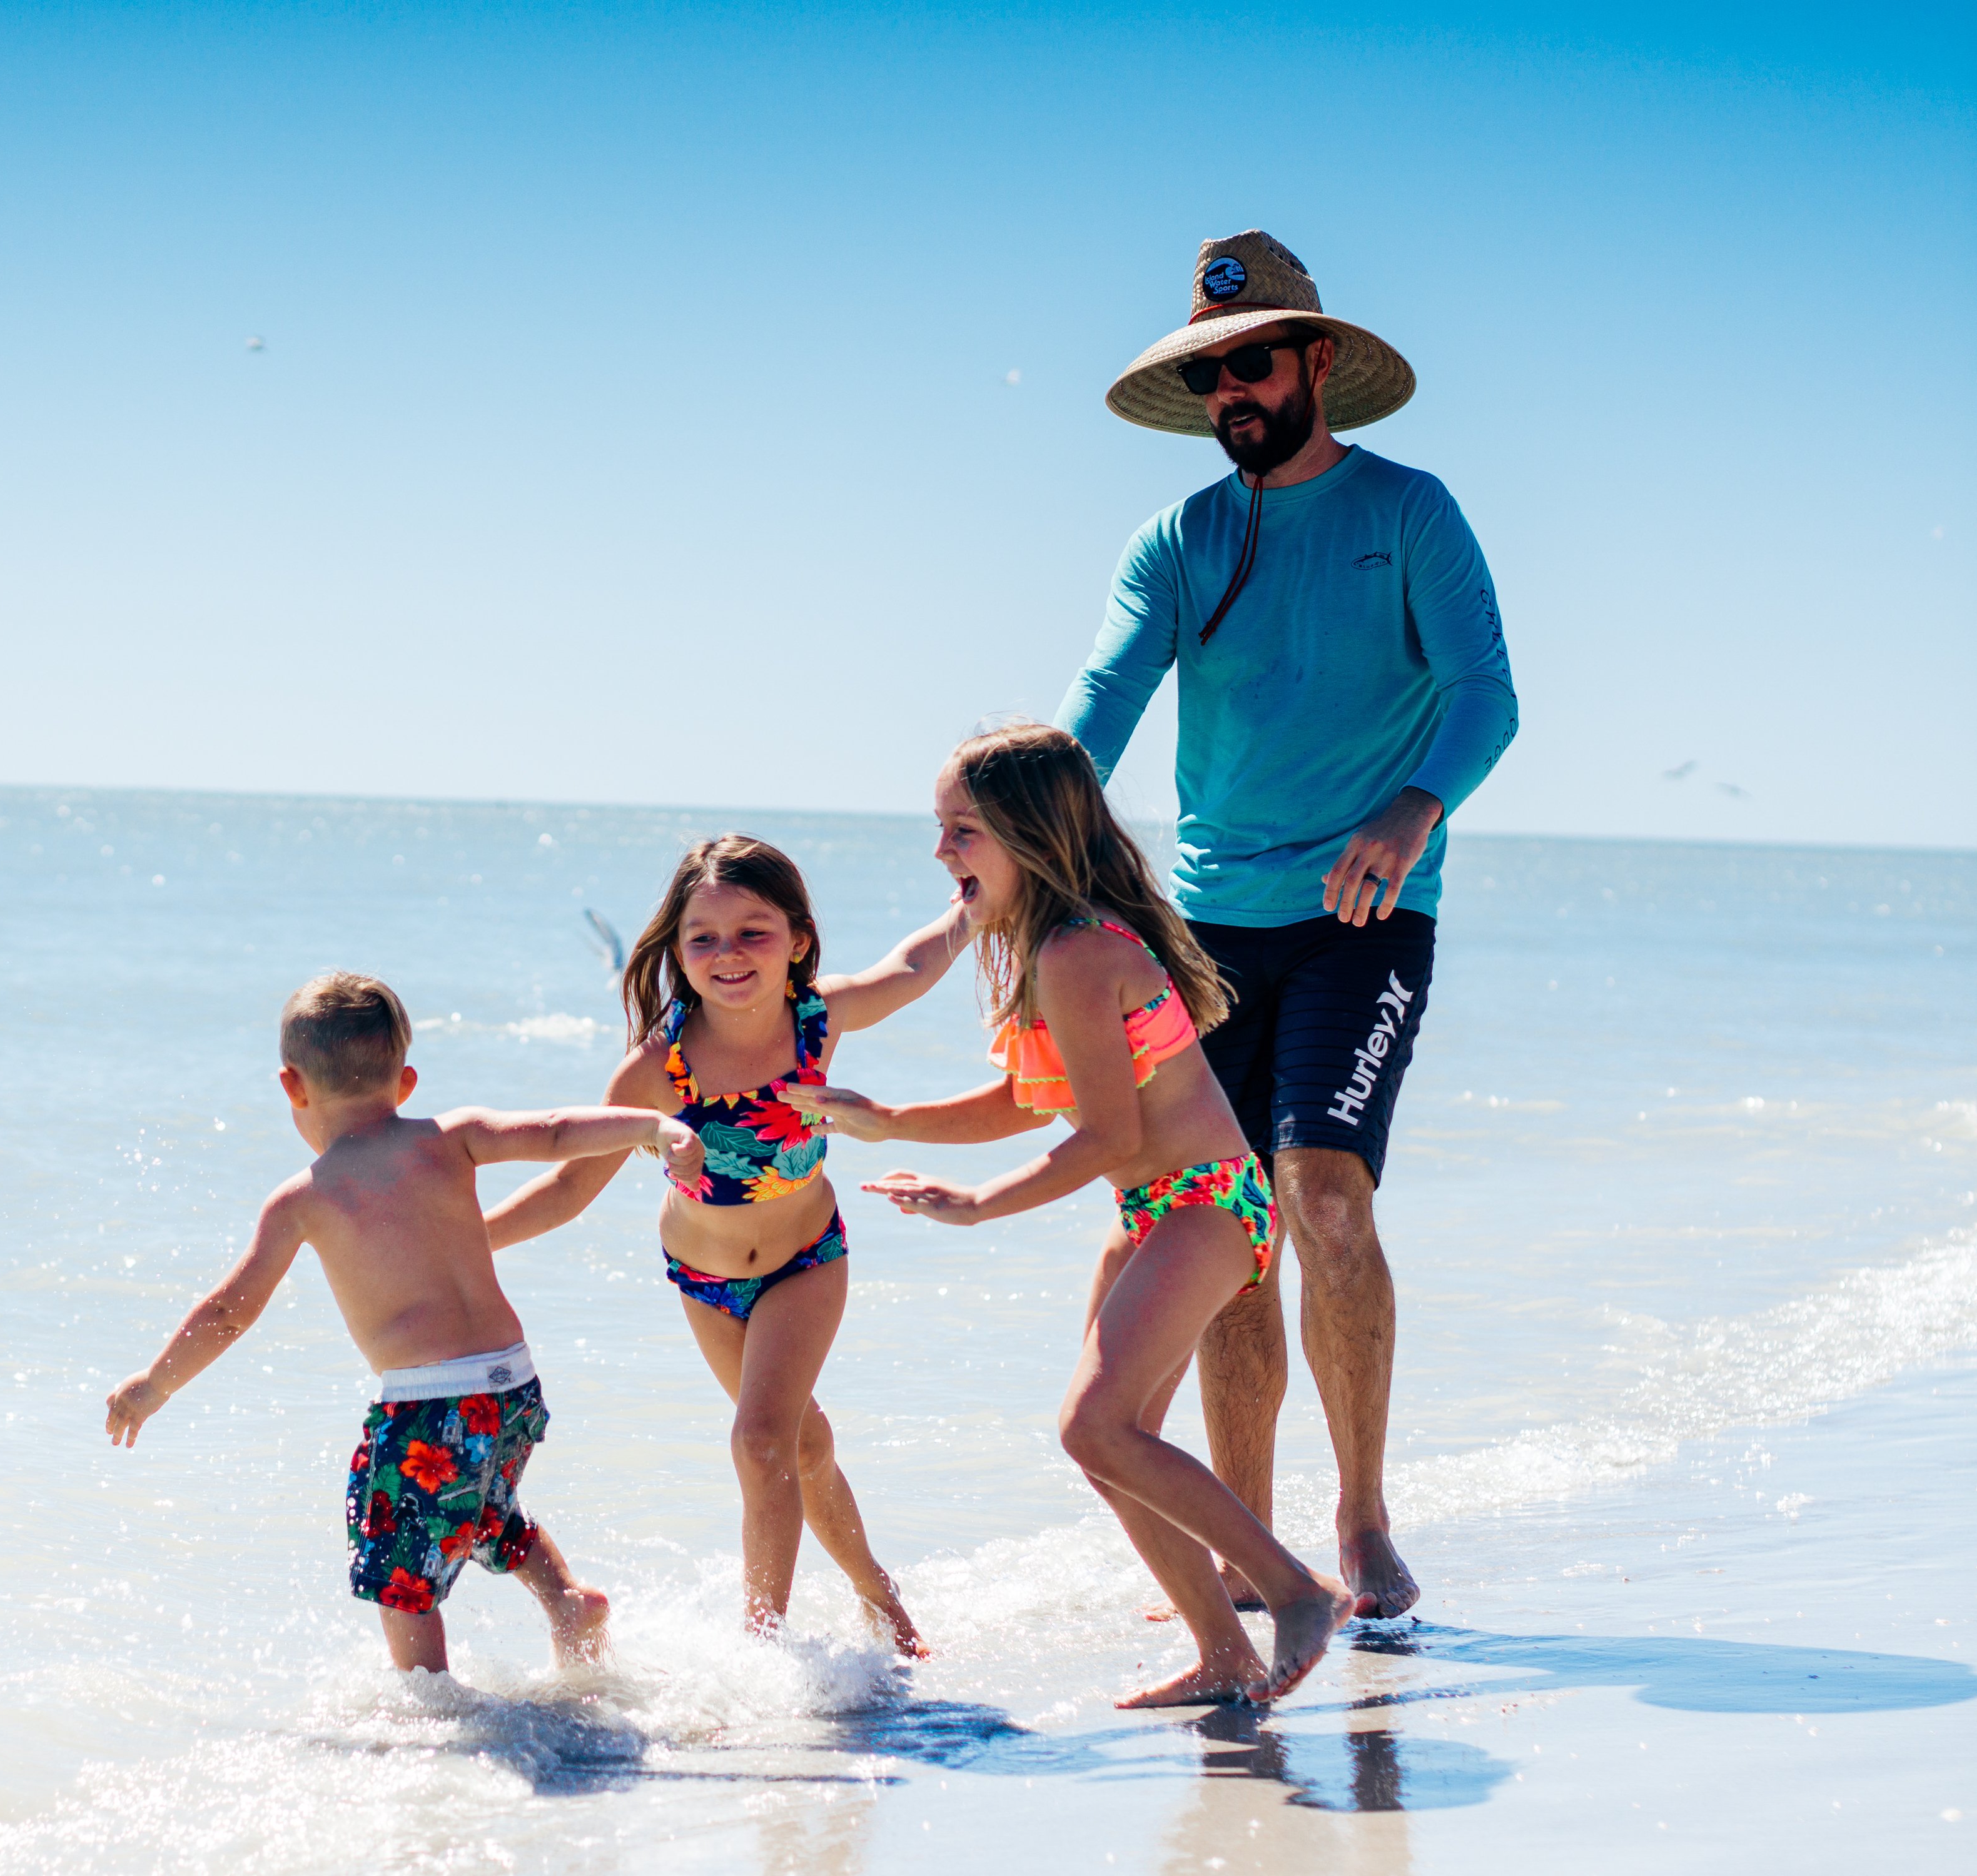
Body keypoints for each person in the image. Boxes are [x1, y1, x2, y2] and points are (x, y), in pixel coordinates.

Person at [1063, 231, 1519, 1618]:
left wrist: (1412, 809)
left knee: (1324, 1195)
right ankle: (1248, 1538)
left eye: (1251, 363)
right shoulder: (1182, 539)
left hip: (1364, 916)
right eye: (1209, 375)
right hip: (1206, 934)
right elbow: (1100, 706)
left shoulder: (1412, 511)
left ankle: (1364, 1517)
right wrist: (1033, 847)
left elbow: (1486, 694)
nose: (1231, 395)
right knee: (1224, 1224)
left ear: (1317, 360)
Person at [789, 724, 1352, 1705]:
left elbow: (1106, 1135)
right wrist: (889, 1124)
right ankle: (1223, 1653)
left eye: (961, 832)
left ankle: (1296, 1590)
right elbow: (1030, 1098)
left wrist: (979, 1205)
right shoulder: (1056, 946)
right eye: (941, 830)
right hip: (1163, 1207)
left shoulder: (1078, 952)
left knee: (1097, 1428)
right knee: (1109, 1443)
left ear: (1029, 835)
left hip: (1206, 1203)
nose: (941, 854)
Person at [104, 971, 706, 1677]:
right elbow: (553, 1131)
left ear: (291, 1087)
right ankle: (567, 1601)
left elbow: (230, 1312)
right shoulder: (452, 1139)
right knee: (484, 1503)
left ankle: (429, 1703)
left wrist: (154, 1385)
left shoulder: (305, 1197)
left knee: (399, 1567)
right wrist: (653, 1124)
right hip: (513, 1385)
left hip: (429, 1400)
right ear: (406, 1080)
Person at [485, 839, 967, 1653]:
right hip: (704, 1282)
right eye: (702, 937)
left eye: (754, 932)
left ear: (799, 940)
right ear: (676, 951)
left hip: (807, 1260)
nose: (728, 954)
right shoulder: (656, 1067)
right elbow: (571, 1187)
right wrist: (464, 1239)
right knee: (801, 1446)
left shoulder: (820, 1019)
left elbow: (911, 968)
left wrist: (974, 905)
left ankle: (761, 1652)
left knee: (761, 1441)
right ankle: (877, 1591)